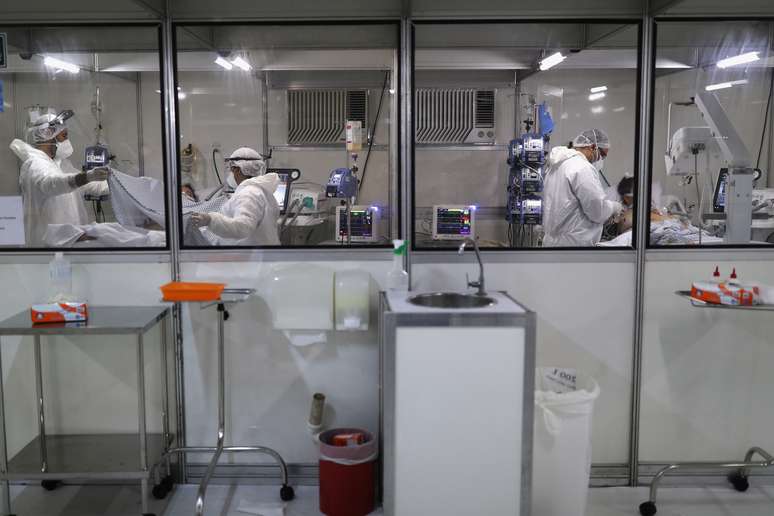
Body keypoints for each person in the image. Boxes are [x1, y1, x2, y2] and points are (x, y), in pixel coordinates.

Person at [9, 112, 109, 246]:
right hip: (46, 248)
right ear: (48, 135)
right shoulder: (35, 164)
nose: (67, 141)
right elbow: (51, 183)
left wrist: (118, 183)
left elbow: (90, 185)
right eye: (64, 136)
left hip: (68, 241)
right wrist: (87, 176)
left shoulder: (60, 164)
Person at [542, 128, 623, 247]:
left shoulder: (557, 165)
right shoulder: (582, 167)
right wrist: (614, 207)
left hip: (552, 243)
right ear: (592, 147)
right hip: (573, 247)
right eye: (602, 155)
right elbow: (597, 211)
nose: (601, 160)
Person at [190, 147, 280, 245]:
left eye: (231, 169)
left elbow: (243, 227)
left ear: (237, 170)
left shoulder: (249, 194)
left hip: (250, 257)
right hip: (257, 254)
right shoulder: (262, 191)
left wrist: (211, 220)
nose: (230, 173)